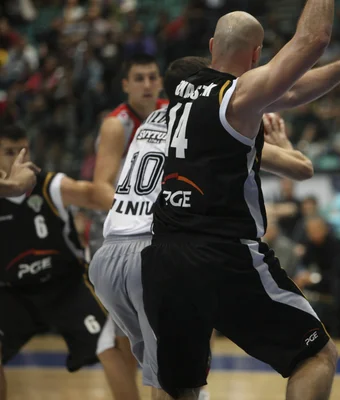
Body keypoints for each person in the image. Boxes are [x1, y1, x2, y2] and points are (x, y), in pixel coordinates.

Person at [141, 5, 340, 399]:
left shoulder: (183, 89)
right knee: (315, 354)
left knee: (179, 386)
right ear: (258, 55)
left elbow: (291, 90)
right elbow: (312, 41)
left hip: (165, 255)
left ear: (212, 46)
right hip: (222, 255)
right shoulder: (238, 97)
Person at [90, 102, 313, 400]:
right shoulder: (203, 126)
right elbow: (302, 167)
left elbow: (98, 189)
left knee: (130, 353)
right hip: (157, 250)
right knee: (171, 376)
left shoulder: (143, 127)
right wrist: (281, 142)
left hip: (109, 251)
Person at [0, 125, 112, 400]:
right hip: (14, 293)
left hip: (67, 287)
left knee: (112, 345)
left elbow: (93, 195)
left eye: (23, 151)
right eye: (9, 152)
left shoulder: (51, 184)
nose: (19, 159)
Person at [90, 53, 168, 400]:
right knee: (120, 339)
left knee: (180, 314)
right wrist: (141, 211)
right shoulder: (116, 124)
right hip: (123, 235)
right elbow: (101, 186)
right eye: (139, 78)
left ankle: (188, 384)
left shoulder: (173, 112)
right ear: (125, 85)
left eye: (153, 77)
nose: (148, 84)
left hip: (160, 234)